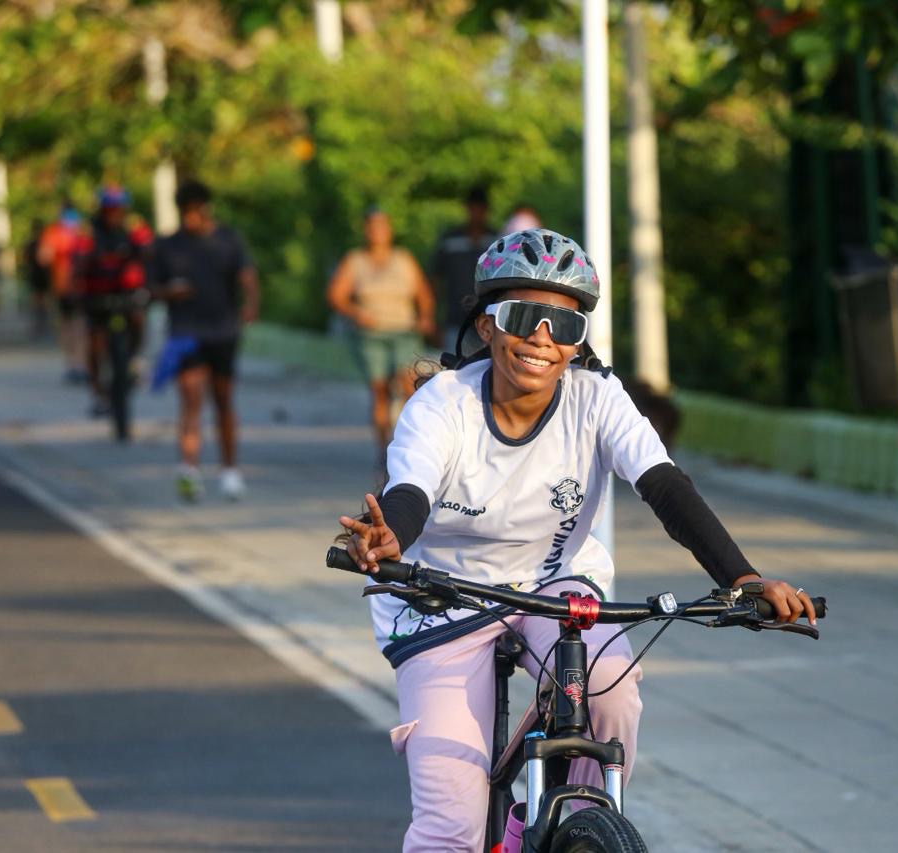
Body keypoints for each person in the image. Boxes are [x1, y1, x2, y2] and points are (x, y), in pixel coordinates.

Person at [335, 228, 817, 852]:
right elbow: (410, 496)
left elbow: (665, 487)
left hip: (554, 585)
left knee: (612, 690)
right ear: (486, 326)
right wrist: (388, 539)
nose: (542, 338)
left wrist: (743, 579)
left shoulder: (598, 397)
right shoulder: (442, 406)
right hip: (440, 600)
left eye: (564, 325)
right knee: (450, 823)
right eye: (525, 316)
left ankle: (574, 829)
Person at [151, 179, 260, 502]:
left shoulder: (227, 240)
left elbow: (247, 277)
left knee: (224, 400)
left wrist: (250, 305)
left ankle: (229, 471)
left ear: (204, 209)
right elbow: (151, 287)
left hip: (223, 330)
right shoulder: (168, 245)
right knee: (191, 399)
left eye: (194, 211)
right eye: (184, 212)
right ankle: (189, 469)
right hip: (186, 332)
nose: (190, 219)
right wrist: (170, 291)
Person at [328, 207, 436, 457]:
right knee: (379, 390)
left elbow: (423, 294)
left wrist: (426, 317)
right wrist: (356, 313)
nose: (377, 232)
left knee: (408, 383)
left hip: (403, 330)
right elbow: (336, 295)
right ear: (366, 230)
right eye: (372, 226)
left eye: (382, 226)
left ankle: (412, 442)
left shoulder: (403, 258)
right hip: (372, 334)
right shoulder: (355, 260)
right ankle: (383, 450)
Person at [72, 185, 147, 417]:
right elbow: (78, 262)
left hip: (124, 296)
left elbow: (148, 252)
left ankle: (133, 360)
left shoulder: (132, 230)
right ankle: (97, 392)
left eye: (118, 209)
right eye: (110, 209)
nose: (114, 214)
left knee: (138, 320)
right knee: (95, 347)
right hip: (96, 298)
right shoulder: (89, 232)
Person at [431, 186, 496, 357]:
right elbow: (436, 280)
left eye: (480, 209)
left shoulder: (496, 241)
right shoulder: (450, 240)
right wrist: (434, 320)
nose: (476, 213)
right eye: (473, 208)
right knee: (455, 370)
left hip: (488, 317)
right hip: (455, 319)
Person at [39, 205, 87, 383]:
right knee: (76, 325)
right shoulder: (77, 233)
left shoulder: (55, 233)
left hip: (72, 287)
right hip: (68, 287)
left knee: (72, 325)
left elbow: (43, 257)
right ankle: (77, 363)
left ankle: (75, 363)